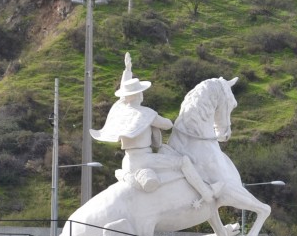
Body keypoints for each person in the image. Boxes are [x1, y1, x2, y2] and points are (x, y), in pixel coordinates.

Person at [91, 53, 220, 208]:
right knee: (184, 161)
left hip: (128, 161)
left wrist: (127, 71)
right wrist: (157, 121)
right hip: (145, 159)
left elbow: (123, 98)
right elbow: (167, 125)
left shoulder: (121, 111)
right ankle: (206, 193)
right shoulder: (146, 114)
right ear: (139, 94)